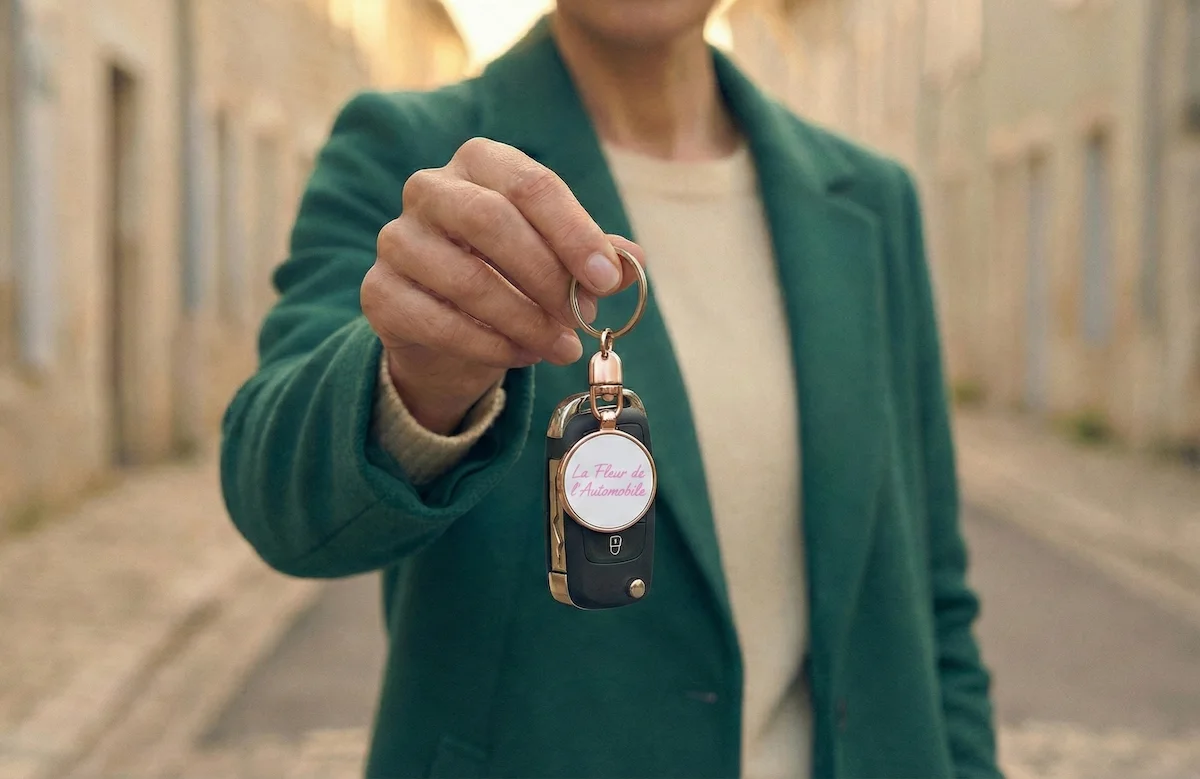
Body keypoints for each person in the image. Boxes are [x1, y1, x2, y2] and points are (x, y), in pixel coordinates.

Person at [220, 2, 1002, 777]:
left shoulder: (871, 200)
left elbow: (930, 592)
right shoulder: (413, 157)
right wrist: (416, 381)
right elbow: (279, 498)